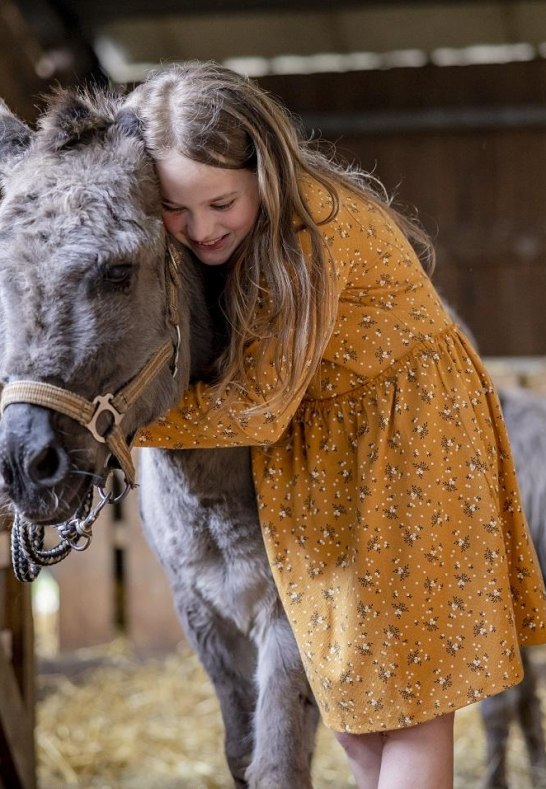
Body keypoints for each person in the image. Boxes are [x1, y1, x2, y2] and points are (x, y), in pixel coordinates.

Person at [130, 61, 546, 788]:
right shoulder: (245, 228)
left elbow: (259, 404)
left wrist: (125, 426)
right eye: (176, 210)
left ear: (263, 166)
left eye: (220, 202)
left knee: (411, 699)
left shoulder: (311, 234)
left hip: (410, 444)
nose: (200, 230)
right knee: (353, 704)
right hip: (329, 455)